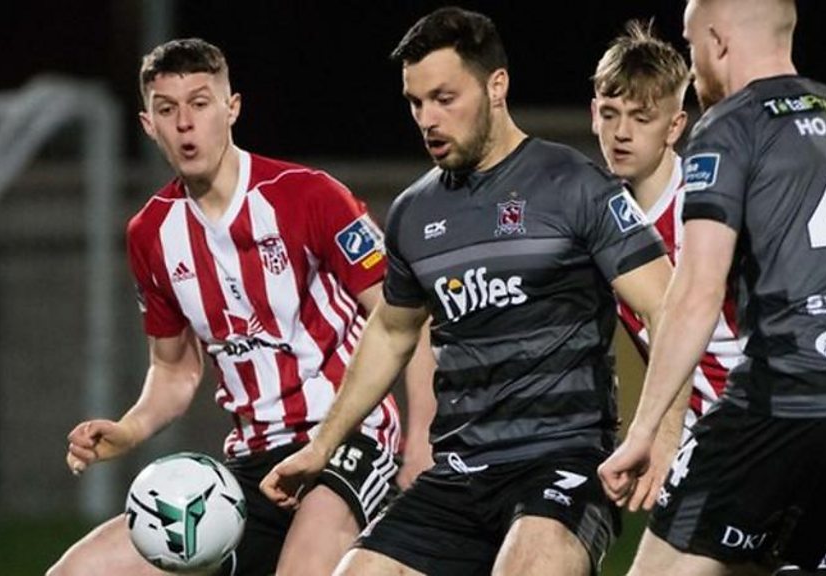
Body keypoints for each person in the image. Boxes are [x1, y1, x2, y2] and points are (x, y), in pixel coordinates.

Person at [258, 7, 676, 576]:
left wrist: (661, 434)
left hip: (562, 463)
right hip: (459, 473)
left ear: (496, 86)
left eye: (444, 98)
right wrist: (321, 445)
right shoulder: (413, 212)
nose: (428, 119)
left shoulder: (574, 184)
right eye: (416, 103)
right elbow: (391, 332)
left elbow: (666, 307)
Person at [598, 1, 826, 575]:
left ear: (718, 41)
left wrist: (644, 431)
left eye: (691, 44)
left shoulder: (729, 127)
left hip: (777, 400)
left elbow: (695, 294)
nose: (693, 66)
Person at [48, 37, 435, 576]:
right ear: (148, 125)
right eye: (167, 109)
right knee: (79, 571)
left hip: (350, 438)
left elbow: (409, 319)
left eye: (200, 103)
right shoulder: (150, 233)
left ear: (231, 108)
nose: (185, 123)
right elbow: (174, 369)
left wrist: (421, 441)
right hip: (250, 463)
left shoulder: (309, 195)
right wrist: (129, 430)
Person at [591, 18, 826, 575]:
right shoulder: (598, 218)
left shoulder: (710, 200)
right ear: (593, 113)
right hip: (708, 439)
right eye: (610, 114)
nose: (621, 133)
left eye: (641, 117)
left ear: (675, 125)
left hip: (756, 425)